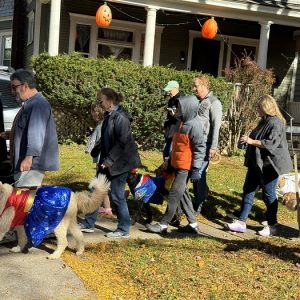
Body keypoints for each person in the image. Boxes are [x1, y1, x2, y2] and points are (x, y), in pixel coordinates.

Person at [225, 95, 292, 237]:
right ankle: (241, 223)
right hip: (257, 163)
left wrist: (251, 141)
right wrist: (247, 141)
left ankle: (272, 225)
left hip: (270, 165)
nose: (257, 109)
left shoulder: (276, 123)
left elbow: (270, 144)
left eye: (259, 107)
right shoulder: (263, 121)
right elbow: (257, 138)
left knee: (269, 195)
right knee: (248, 190)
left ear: (265, 107)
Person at [146, 95, 206, 234]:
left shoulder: (195, 125)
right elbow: (176, 144)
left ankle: (163, 225)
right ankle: (193, 224)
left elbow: (200, 148)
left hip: (185, 167)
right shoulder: (181, 121)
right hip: (177, 164)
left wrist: (196, 168)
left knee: (174, 194)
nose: (177, 109)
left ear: (187, 109)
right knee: (183, 193)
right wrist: (170, 162)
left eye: (179, 107)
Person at [94, 87, 141, 238]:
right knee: (96, 189)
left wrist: (109, 161)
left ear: (110, 101)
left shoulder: (121, 118)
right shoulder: (109, 115)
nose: (99, 104)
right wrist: (98, 151)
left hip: (121, 163)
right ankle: (88, 222)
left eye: (101, 101)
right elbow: (107, 139)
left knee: (117, 195)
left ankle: (123, 229)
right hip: (108, 161)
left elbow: (121, 142)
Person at [0, 69, 59, 187]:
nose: (12, 91)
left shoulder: (37, 104)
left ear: (25, 86)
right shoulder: (30, 103)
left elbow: (36, 135)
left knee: (25, 201)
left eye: (14, 87)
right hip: (27, 164)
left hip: (31, 166)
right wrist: (12, 134)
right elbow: (28, 129)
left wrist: (28, 158)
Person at [79, 103, 112, 233]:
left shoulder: (101, 125)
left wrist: (88, 150)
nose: (91, 114)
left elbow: (94, 141)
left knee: (95, 190)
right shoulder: (107, 123)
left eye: (93, 112)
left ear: (97, 112)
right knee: (108, 191)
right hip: (109, 162)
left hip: (104, 162)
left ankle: (89, 223)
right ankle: (123, 224)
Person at [192, 76, 222, 214]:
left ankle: (198, 203)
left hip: (206, 144)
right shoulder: (199, 101)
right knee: (195, 172)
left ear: (204, 86)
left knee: (199, 172)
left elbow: (216, 126)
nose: (194, 89)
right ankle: (200, 196)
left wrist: (213, 147)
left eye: (196, 86)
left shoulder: (214, 102)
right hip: (195, 142)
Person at [162, 80, 184, 160]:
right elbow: (169, 116)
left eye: (170, 90)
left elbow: (182, 116)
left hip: (177, 130)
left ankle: (172, 171)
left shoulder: (182, 100)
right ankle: (165, 170)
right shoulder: (171, 100)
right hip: (169, 130)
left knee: (172, 152)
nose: (169, 92)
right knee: (165, 151)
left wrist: (174, 114)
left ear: (175, 88)